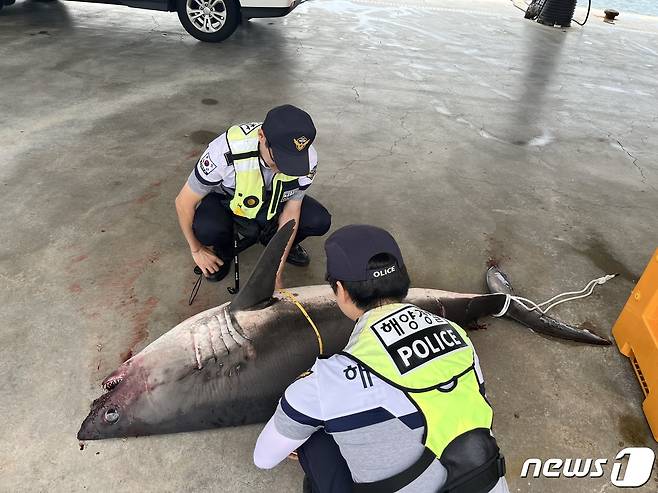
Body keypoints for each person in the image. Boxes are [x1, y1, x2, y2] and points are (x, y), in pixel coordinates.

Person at [254, 225, 509, 493]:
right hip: (482, 480)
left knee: (311, 435)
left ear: (339, 289)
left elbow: (263, 459)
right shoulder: (458, 336)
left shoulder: (325, 380)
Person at [175, 104, 331, 288]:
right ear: (261, 136)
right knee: (207, 228)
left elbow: (292, 210)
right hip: (228, 200)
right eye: (279, 158)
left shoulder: (308, 159)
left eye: (293, 161)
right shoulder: (224, 151)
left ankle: (273, 241)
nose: (284, 168)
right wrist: (197, 249)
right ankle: (223, 249)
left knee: (318, 220)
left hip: (273, 200)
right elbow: (183, 202)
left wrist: (276, 268)